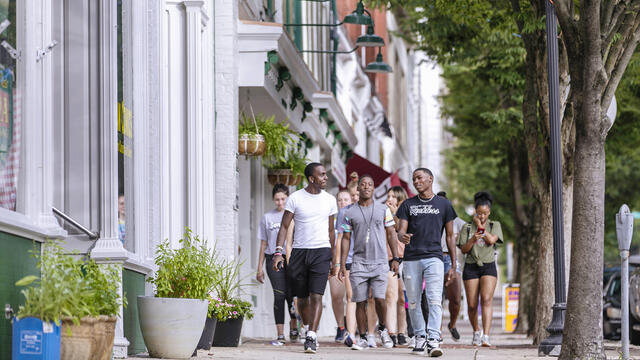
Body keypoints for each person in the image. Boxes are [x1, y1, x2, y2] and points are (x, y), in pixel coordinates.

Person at [273, 162, 338, 354]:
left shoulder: (329, 200)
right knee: (301, 299)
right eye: (322, 175)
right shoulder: (295, 198)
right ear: (312, 178)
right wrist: (278, 252)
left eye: (326, 175)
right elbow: (284, 226)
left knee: (317, 295)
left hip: (322, 251)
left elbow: (331, 231)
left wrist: (334, 259)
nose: (326, 178)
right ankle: (309, 326)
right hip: (300, 252)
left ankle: (311, 335)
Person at [396, 168, 457, 357]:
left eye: (420, 178)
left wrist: (454, 264)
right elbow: (400, 230)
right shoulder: (407, 204)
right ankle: (420, 336)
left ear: (431, 179)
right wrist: (402, 236)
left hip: (434, 258)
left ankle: (433, 338)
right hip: (412, 258)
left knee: (434, 299)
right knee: (413, 301)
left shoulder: (444, 204)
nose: (416, 181)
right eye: (414, 179)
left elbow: (450, 236)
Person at [337, 175, 400, 350]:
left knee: (380, 299)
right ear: (358, 190)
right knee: (360, 300)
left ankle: (383, 330)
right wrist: (342, 264)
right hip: (358, 263)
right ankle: (363, 337)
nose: (366, 187)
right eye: (362, 185)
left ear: (374, 189)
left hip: (380, 262)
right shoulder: (349, 212)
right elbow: (345, 238)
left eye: (370, 184)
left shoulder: (383, 210)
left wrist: (395, 258)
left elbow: (391, 234)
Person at [458, 191, 503, 347]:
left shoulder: (494, 225)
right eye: (479, 213)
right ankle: (476, 331)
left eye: (485, 213)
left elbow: (491, 240)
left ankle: (486, 336)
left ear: (489, 212)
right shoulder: (467, 227)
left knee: (486, 300)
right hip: (471, 267)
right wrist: (473, 238)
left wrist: (480, 228)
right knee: (471, 304)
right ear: (475, 211)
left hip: (488, 266)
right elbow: (463, 249)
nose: (482, 216)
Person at [256, 184, 299, 346]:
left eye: (283, 199)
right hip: (273, 259)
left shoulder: (294, 216)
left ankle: (293, 326)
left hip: (291, 259)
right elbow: (263, 244)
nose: (280, 203)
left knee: (291, 295)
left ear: (288, 198)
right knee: (279, 294)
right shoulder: (267, 217)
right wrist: (259, 267)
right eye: (277, 200)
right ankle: (280, 334)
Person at [436, 191, 467, 341]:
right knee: (436, 299)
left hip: (450, 260)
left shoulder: (456, 221)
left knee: (455, 299)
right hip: (434, 258)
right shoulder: (431, 218)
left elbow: (469, 230)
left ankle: (452, 324)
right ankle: (437, 331)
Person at [384, 186, 409, 346]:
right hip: (388, 259)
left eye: (393, 196)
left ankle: (402, 332)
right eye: (388, 196)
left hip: (404, 259)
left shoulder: (406, 215)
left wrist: (395, 215)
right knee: (391, 296)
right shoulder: (383, 213)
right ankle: (391, 332)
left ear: (400, 199)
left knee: (402, 299)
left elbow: (401, 232)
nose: (389, 199)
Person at [328, 190, 352, 342]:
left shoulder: (354, 218)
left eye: (346, 199)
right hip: (334, 262)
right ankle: (341, 327)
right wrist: (335, 263)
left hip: (351, 262)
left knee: (351, 297)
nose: (343, 202)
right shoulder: (333, 219)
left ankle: (351, 328)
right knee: (337, 296)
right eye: (340, 200)